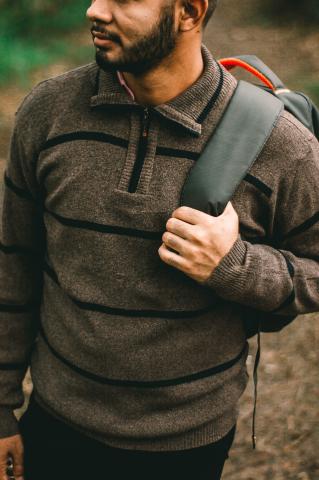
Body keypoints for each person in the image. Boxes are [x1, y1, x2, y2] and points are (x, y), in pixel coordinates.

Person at [0, 0, 318, 479]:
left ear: (189, 11)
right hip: (55, 420)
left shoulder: (282, 146)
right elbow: (13, 264)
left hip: (186, 443)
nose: (94, 10)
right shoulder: (48, 113)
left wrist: (234, 265)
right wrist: (1, 406)